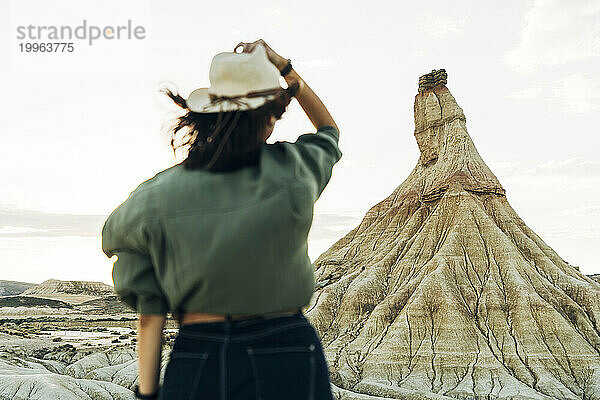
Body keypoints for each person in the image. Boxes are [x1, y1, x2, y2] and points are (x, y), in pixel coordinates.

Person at [101, 38, 342, 400]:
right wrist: (285, 68)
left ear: (207, 115)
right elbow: (328, 131)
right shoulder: (295, 169)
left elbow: (150, 313)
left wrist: (148, 393)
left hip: (201, 354)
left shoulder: (153, 198)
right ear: (268, 118)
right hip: (287, 349)